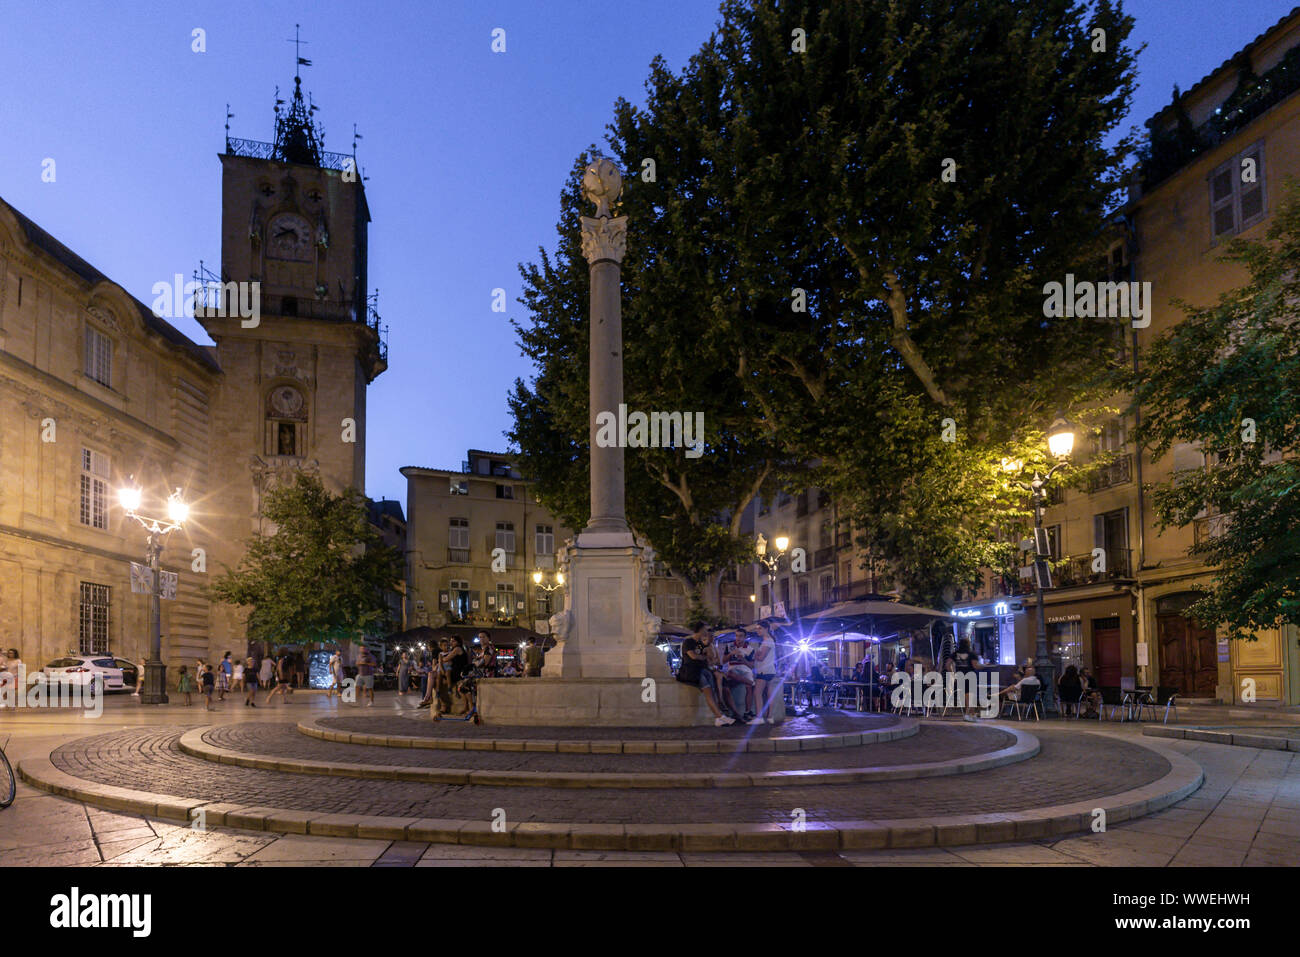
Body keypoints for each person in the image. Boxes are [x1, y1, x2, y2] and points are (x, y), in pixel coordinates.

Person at [676, 622, 733, 726]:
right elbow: (693, 656)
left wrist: (708, 651)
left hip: (702, 670)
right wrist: (703, 656)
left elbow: (710, 660)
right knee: (708, 691)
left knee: (713, 687)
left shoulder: (700, 644)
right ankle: (719, 717)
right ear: (701, 630)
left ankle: (719, 715)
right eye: (706, 629)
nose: (707, 632)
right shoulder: (688, 642)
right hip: (692, 672)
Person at [722, 631, 758, 723]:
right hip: (733, 668)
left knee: (749, 688)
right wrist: (731, 654)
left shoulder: (750, 649)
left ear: (745, 637)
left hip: (745, 669)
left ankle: (747, 712)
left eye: (741, 636)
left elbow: (751, 665)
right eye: (737, 636)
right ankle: (750, 682)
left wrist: (743, 659)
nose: (738, 638)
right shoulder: (730, 646)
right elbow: (723, 661)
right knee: (729, 673)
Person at [751, 623, 779, 724]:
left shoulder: (767, 642)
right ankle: (770, 717)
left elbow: (761, 657)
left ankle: (759, 717)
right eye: (757, 629)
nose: (757, 630)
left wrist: (755, 655)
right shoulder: (768, 641)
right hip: (770, 670)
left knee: (757, 693)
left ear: (766, 628)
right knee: (769, 694)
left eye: (760, 628)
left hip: (764, 670)